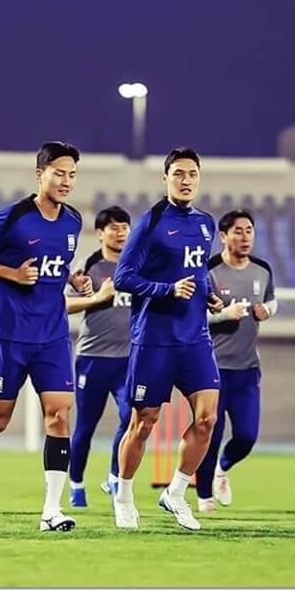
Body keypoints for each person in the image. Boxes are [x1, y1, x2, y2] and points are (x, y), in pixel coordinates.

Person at [0, 141, 93, 532]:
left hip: (52, 334)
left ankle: (51, 511)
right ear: (40, 174)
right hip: (8, 332)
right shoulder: (13, 216)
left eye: (72, 175)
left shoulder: (73, 220)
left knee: (59, 414)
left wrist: (73, 279)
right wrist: (12, 274)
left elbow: (56, 265)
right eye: (59, 173)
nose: (66, 181)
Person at [112, 147, 224, 531]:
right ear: (165, 179)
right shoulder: (151, 222)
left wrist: (208, 294)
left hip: (195, 339)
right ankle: (124, 497)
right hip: (154, 339)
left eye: (192, 173)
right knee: (144, 423)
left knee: (208, 419)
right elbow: (123, 278)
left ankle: (175, 493)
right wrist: (167, 289)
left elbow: (197, 271)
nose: (186, 180)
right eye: (178, 174)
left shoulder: (206, 224)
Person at [194, 209, 277, 512]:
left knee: (246, 436)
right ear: (223, 236)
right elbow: (192, 316)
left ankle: (222, 468)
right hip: (212, 368)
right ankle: (204, 495)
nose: (245, 237)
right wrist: (223, 315)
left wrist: (268, 310)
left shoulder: (262, 269)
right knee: (210, 434)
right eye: (238, 231)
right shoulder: (208, 270)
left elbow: (271, 300)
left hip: (247, 369)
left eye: (249, 230)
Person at [66, 206, 133, 507]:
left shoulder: (136, 265)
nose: (120, 233)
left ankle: (115, 477)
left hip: (128, 359)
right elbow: (63, 305)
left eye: (125, 227)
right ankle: (76, 485)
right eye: (114, 228)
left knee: (131, 417)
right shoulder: (88, 266)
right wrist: (97, 298)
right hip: (93, 358)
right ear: (100, 233)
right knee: (86, 427)